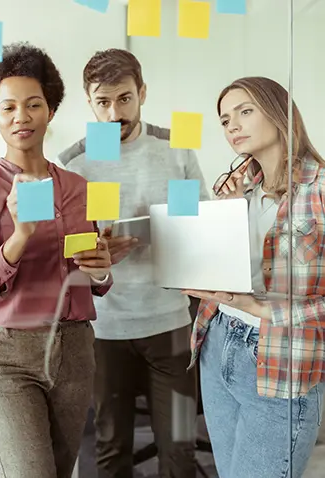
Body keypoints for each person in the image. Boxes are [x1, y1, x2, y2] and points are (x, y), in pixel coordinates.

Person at [0, 42, 113, 478]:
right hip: (6, 352)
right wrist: (19, 237)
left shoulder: (81, 187)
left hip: (75, 347)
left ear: (50, 110)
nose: (21, 116)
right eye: (8, 107)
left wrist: (100, 268)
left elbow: (93, 278)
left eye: (33, 105)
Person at [58, 48, 209, 478]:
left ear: (142, 93)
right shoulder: (75, 163)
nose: (114, 112)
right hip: (105, 329)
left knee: (179, 448)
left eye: (124, 99)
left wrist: (170, 234)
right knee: (110, 446)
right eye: (102, 102)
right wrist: (94, 252)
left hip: (170, 324)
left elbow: (204, 224)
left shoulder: (175, 149)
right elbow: (58, 253)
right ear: (89, 102)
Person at [184, 76, 325, 478]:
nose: (232, 126)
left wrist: (266, 309)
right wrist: (223, 217)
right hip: (218, 345)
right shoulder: (235, 192)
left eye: (245, 111)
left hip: (282, 362)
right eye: (225, 119)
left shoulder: (320, 190)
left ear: (280, 113)